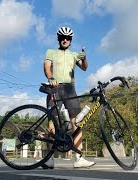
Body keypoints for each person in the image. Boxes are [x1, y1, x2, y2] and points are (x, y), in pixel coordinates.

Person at [42, 26, 96, 169]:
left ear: (71, 41)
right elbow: (46, 66)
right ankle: (49, 159)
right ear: (58, 39)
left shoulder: (73, 55)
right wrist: (50, 77)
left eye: (68, 38)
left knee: (76, 123)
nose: (65, 40)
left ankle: (78, 158)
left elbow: (84, 68)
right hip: (54, 88)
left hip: (70, 89)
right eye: (62, 37)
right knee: (52, 125)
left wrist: (84, 58)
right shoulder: (51, 52)